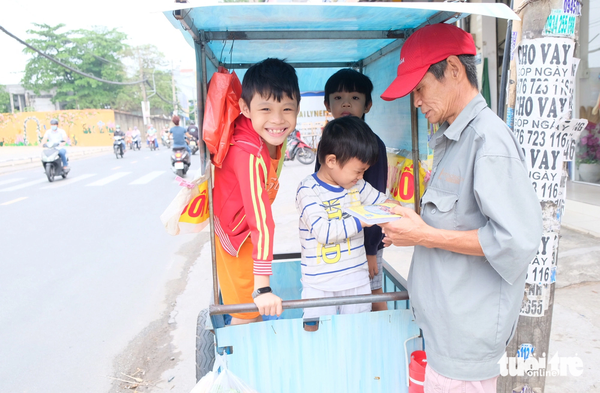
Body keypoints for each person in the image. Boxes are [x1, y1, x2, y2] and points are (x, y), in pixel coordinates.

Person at [379, 23, 543, 392]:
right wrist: (416, 224)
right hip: (445, 337)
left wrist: (425, 234)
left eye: (420, 89)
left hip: (465, 346)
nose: (417, 101)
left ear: (453, 69)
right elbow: (456, 222)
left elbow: (516, 240)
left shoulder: (488, 141)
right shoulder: (453, 139)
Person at [212, 58, 300, 325]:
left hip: (241, 228)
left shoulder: (266, 136)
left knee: (251, 312)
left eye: (287, 108)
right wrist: (262, 287)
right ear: (245, 109)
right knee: (246, 314)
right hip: (238, 238)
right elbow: (261, 223)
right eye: (265, 108)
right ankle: (235, 365)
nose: (277, 119)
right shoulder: (248, 154)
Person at [297, 116, 397, 332]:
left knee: (356, 337)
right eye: (358, 170)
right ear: (332, 161)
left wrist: (397, 215)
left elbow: (383, 202)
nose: (361, 176)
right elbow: (323, 231)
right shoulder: (308, 190)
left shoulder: (357, 186)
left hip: (356, 283)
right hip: (319, 286)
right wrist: (363, 220)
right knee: (317, 338)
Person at [318, 68, 389, 311]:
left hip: (366, 241)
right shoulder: (326, 142)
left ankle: (382, 341)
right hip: (338, 238)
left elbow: (375, 201)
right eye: (338, 98)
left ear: (368, 105)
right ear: (327, 104)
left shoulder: (372, 144)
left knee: (373, 289)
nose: (346, 103)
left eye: (355, 98)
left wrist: (371, 249)